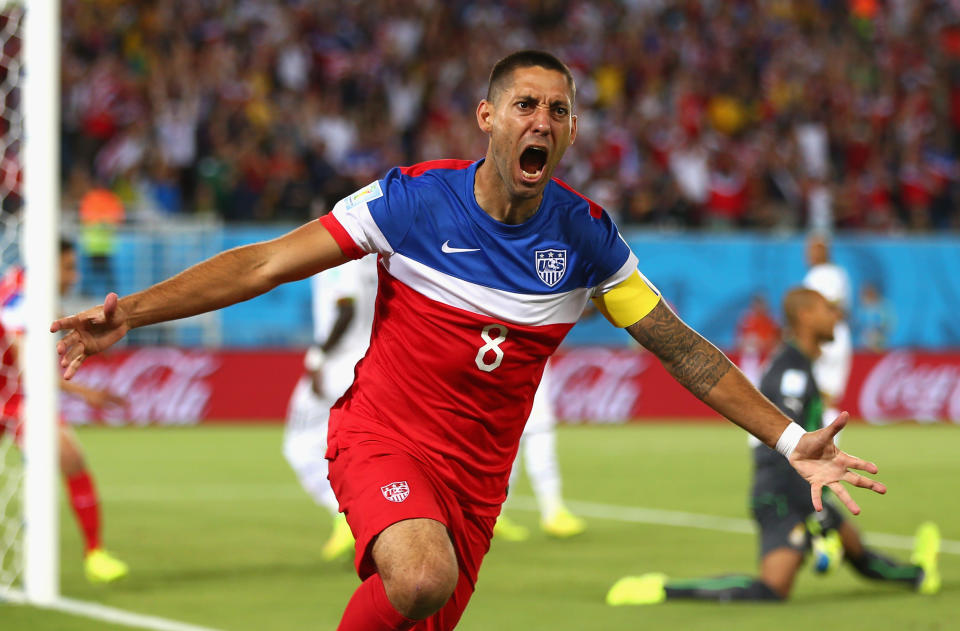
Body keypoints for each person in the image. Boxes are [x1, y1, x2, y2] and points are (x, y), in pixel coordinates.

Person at [52, 51, 886, 630]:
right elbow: (269, 260)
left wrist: (788, 438)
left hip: (475, 489)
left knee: (423, 596)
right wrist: (133, 313)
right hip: (380, 436)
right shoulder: (410, 203)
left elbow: (685, 350)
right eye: (527, 104)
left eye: (559, 110)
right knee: (418, 575)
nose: (544, 120)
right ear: (488, 117)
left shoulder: (588, 240)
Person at [606, 287, 940, 606]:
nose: (836, 316)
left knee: (857, 552)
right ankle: (661, 589)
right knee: (774, 587)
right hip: (783, 493)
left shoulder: (798, 364)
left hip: (803, 489)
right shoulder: (790, 371)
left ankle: (919, 573)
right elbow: (784, 448)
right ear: (805, 315)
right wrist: (812, 513)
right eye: (827, 309)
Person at [0, 239, 129, 583]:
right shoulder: (22, 295)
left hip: (13, 395)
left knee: (70, 458)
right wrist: (85, 392)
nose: (75, 275)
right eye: (69, 267)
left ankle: (95, 554)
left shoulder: (34, 292)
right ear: (47, 265)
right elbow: (28, 368)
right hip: (13, 393)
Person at [283, 255, 378, 561]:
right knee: (363, 450)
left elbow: (346, 308)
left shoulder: (344, 259)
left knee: (300, 447)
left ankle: (347, 517)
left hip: (339, 365)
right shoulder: (379, 255)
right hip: (371, 362)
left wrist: (318, 357)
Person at [493, 361, 586, 541]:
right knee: (540, 462)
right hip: (532, 411)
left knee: (509, 465)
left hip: (508, 409)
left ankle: (496, 516)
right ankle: (553, 514)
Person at [802, 234, 853, 428]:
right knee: (826, 399)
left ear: (823, 252)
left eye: (812, 250)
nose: (808, 255)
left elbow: (827, 309)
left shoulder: (819, 275)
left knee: (822, 397)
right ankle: (826, 448)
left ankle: (825, 448)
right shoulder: (839, 273)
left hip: (826, 337)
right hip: (836, 335)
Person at [734, 294, 780, 386]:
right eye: (756, 304)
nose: (759, 307)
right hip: (750, 358)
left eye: (761, 304)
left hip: (765, 359)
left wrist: (761, 343)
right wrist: (749, 343)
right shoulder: (747, 320)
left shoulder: (770, 321)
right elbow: (738, 342)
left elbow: (775, 342)